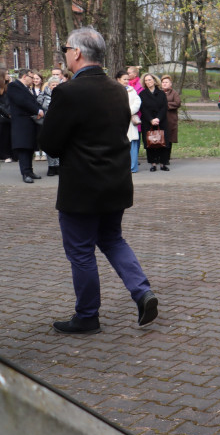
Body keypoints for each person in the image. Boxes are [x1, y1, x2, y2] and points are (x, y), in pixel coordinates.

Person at [38, 27, 158, 334]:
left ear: (76, 52)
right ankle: (142, 292)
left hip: (81, 187)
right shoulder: (119, 90)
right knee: (112, 239)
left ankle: (87, 316)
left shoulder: (67, 92)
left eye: (66, 49)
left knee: (81, 251)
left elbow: (50, 143)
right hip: (115, 181)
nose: (65, 54)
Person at [6, 69, 45, 183]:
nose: (33, 80)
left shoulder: (27, 88)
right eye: (31, 77)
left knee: (29, 147)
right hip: (21, 123)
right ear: (24, 76)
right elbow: (22, 101)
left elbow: (34, 102)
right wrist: (37, 110)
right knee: (23, 148)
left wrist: (40, 109)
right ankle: (25, 173)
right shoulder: (14, 86)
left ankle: (30, 171)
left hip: (29, 122)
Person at [139, 73, 169, 172]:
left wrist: (158, 119)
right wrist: (151, 119)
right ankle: (153, 164)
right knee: (150, 143)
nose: (148, 82)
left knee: (162, 142)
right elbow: (143, 109)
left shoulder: (161, 93)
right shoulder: (142, 94)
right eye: (146, 80)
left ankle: (163, 163)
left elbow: (164, 107)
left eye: (150, 80)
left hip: (161, 121)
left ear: (155, 81)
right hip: (148, 122)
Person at [115, 70, 143, 172]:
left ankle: (133, 167)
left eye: (128, 79)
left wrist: (128, 112)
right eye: (124, 79)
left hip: (131, 122)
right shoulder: (113, 90)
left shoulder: (132, 90)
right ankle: (121, 166)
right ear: (118, 79)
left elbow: (137, 102)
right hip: (118, 121)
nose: (127, 81)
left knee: (133, 145)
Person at [40, 74, 63, 175]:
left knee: (59, 144)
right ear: (49, 86)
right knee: (50, 144)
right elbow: (39, 106)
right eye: (53, 84)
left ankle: (58, 165)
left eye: (57, 84)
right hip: (47, 122)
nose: (55, 86)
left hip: (59, 122)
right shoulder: (43, 95)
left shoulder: (63, 95)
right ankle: (51, 166)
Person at [160, 75, 181, 167]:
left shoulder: (174, 93)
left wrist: (165, 105)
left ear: (170, 84)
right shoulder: (159, 92)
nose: (164, 84)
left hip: (170, 120)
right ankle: (159, 157)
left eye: (166, 82)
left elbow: (177, 103)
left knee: (168, 139)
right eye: (163, 82)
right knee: (159, 139)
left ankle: (166, 158)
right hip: (160, 119)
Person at [0, 68, 12, 164]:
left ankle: (7, 154)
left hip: (8, 115)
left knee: (7, 136)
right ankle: (4, 155)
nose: (9, 75)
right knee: (3, 135)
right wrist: (7, 113)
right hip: (3, 116)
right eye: (7, 74)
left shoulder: (8, 87)